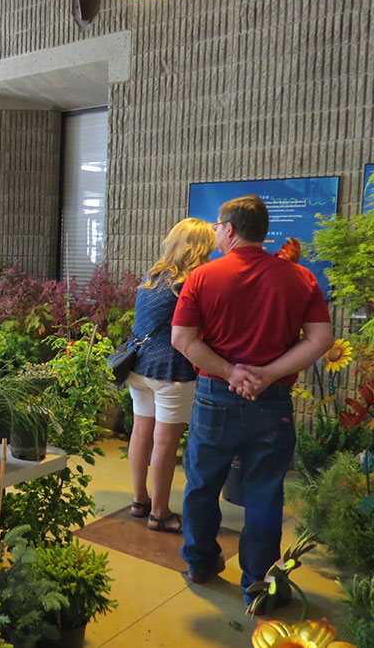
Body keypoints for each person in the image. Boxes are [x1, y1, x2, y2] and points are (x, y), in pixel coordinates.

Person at [170, 195, 333, 608]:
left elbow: (182, 339)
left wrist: (231, 373)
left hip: (214, 401)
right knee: (265, 492)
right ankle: (258, 584)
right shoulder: (300, 279)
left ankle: (201, 563)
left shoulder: (203, 278)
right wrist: (267, 374)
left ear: (228, 229)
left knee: (202, 485)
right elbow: (321, 339)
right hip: (272, 402)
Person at [125, 218, 216, 534]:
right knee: (164, 442)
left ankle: (140, 501)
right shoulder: (193, 281)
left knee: (141, 432)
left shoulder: (153, 275)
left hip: (139, 367)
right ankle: (160, 514)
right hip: (172, 372)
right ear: (201, 247)